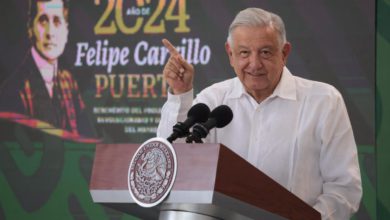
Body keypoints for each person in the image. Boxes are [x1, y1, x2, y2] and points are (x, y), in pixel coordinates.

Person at [157, 7, 362, 220]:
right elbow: (169, 165)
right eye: (244, 52)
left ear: (284, 53)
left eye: (265, 52)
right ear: (230, 54)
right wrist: (180, 94)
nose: (254, 64)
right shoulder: (213, 98)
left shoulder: (323, 101)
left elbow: (344, 188)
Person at [0, 0, 93, 138]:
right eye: (43, 21)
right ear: (30, 28)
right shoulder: (13, 90)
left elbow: (86, 137)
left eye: (57, 21)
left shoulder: (68, 81)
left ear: (66, 30)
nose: (50, 33)